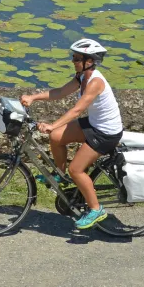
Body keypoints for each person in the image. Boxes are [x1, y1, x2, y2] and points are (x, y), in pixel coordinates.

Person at [20, 39, 124, 230]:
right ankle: (59, 175)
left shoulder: (95, 83)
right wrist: (33, 97)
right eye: (73, 57)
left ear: (90, 61)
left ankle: (96, 209)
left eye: (76, 58)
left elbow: (76, 110)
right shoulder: (81, 77)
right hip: (94, 124)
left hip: (105, 133)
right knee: (57, 137)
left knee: (76, 170)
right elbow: (59, 92)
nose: (73, 61)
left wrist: (53, 124)